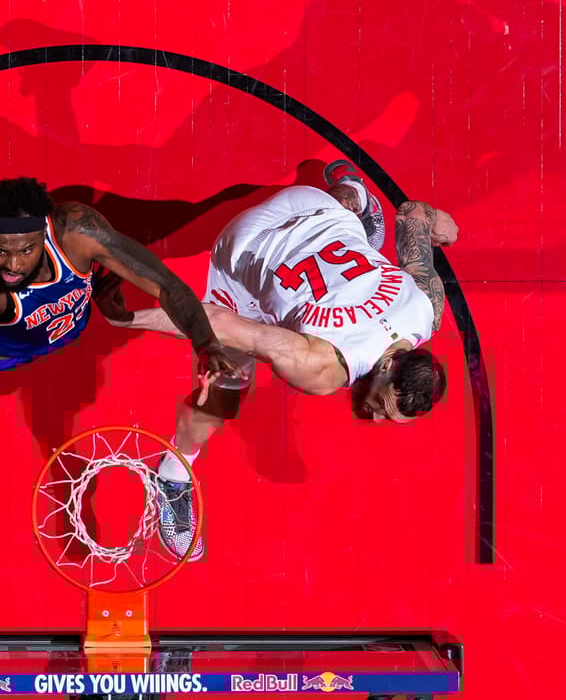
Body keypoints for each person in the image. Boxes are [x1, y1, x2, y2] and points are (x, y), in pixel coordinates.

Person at [93, 160, 459, 560]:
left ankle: (352, 193)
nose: (375, 417)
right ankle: (173, 475)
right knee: (228, 385)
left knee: (341, 234)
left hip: (308, 204)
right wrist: (127, 318)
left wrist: (438, 222)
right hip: (248, 243)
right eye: (383, 406)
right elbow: (218, 323)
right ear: (389, 366)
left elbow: (412, 213)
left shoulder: (427, 308)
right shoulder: (324, 367)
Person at [0, 126, 245, 433]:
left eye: (25, 250)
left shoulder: (78, 230)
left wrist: (206, 343)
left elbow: (167, 286)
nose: (11, 264)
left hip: (47, 332)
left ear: (45, 232)